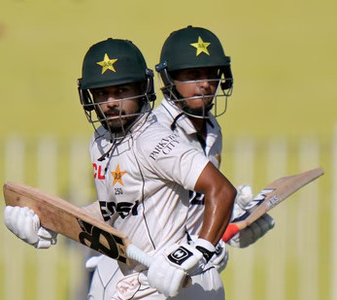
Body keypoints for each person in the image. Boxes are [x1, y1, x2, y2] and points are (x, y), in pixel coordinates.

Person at [4, 37, 237, 299]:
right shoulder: (101, 141)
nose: (112, 102)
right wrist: (49, 223)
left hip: (174, 280)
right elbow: (113, 210)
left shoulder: (154, 140)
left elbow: (222, 190)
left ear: (143, 88)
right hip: (132, 278)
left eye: (122, 91)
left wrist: (201, 249)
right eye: (102, 93)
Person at [86, 26, 276, 300]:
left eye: (212, 73)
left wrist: (232, 222)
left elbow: (189, 203)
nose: (205, 84)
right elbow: (124, 208)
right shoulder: (152, 132)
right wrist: (200, 248)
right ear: (169, 79)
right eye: (193, 75)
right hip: (142, 272)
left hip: (181, 272)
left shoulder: (211, 128)